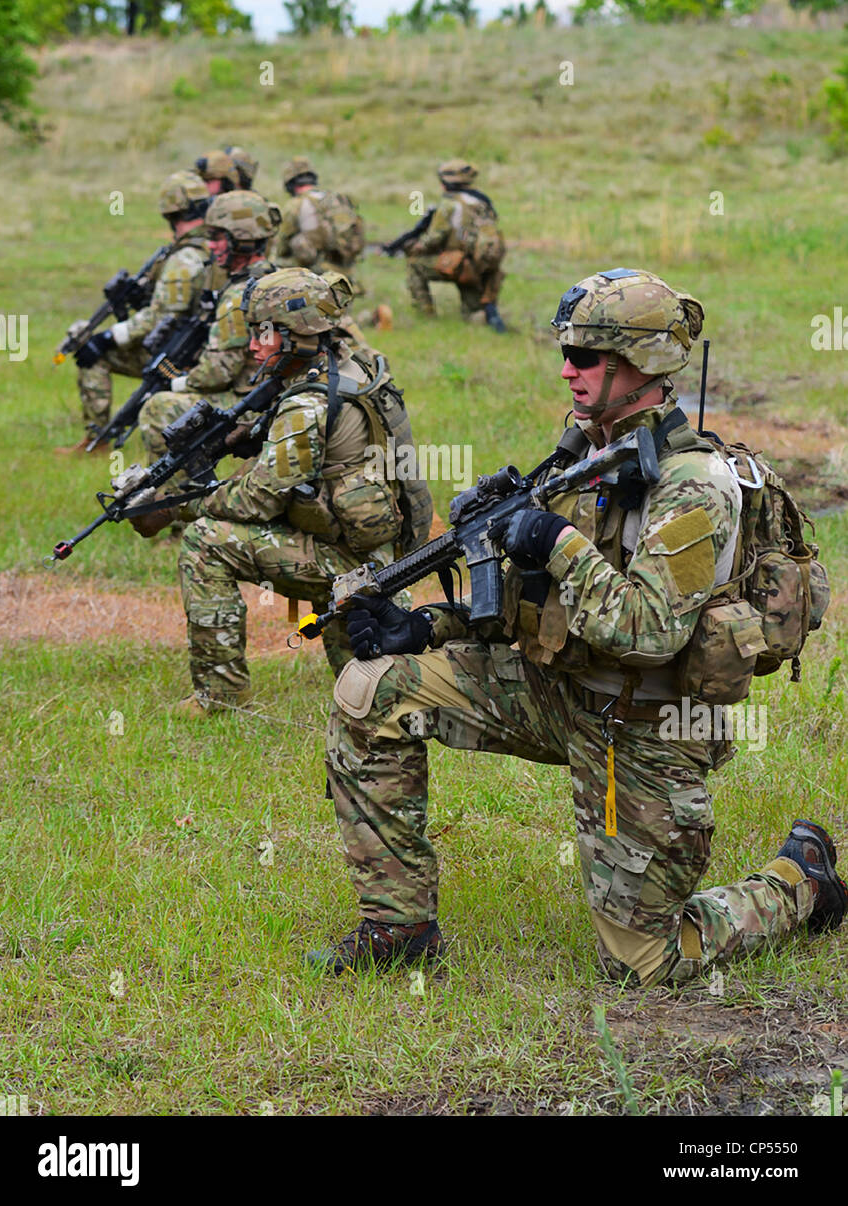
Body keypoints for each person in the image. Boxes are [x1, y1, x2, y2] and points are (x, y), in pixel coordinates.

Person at [310, 267, 846, 977]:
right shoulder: (586, 452)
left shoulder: (693, 485)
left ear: (641, 362)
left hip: (645, 725)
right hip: (558, 690)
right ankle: (398, 926)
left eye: (586, 356)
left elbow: (650, 629)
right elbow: (532, 605)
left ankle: (799, 882)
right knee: (370, 688)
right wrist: (430, 626)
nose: (568, 369)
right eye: (566, 353)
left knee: (643, 963)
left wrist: (552, 542)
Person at [131, 269, 421, 716]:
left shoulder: (307, 403)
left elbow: (258, 498)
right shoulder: (355, 363)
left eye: (263, 334)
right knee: (370, 693)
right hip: (380, 551)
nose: (253, 346)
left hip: (350, 562)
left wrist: (177, 506)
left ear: (297, 336)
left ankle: (219, 696)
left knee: (206, 541)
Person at [57, 171, 213, 454]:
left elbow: (161, 317)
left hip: (180, 353)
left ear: (169, 212)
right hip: (205, 351)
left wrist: (107, 337)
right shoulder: (216, 247)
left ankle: (97, 441)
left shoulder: (183, 259)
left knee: (93, 354)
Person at [137, 189, 282, 478]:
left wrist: (180, 383)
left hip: (251, 403)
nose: (210, 246)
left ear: (242, 240)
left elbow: (219, 372)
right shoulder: (274, 277)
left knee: (156, 408)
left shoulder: (237, 295)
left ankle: (178, 507)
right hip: (270, 394)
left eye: (217, 237)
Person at [402, 159, 506, 332]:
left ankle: (426, 316)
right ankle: (486, 320)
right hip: (481, 266)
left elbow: (435, 237)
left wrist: (414, 247)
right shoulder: (483, 202)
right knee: (472, 313)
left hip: (459, 265)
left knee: (415, 264)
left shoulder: (449, 203)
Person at [276, 157, 365, 288]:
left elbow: (282, 247)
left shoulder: (296, 205)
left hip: (314, 277)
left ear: (289, 184)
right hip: (345, 276)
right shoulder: (337, 199)